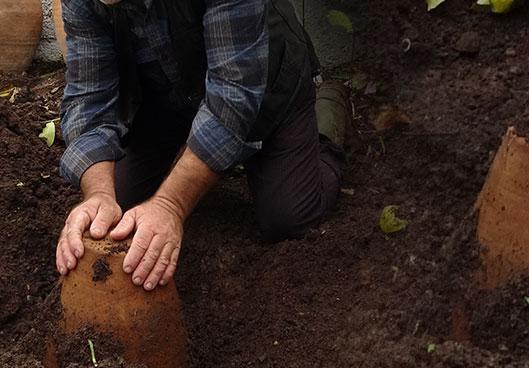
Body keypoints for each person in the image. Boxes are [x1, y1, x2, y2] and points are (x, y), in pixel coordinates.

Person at [54, 0, 347, 291]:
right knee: (118, 209)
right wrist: (99, 194)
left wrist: (170, 204)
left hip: (265, 86)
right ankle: (191, 154)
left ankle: (328, 107)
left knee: (288, 218)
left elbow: (234, 94)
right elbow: (89, 98)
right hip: (168, 97)